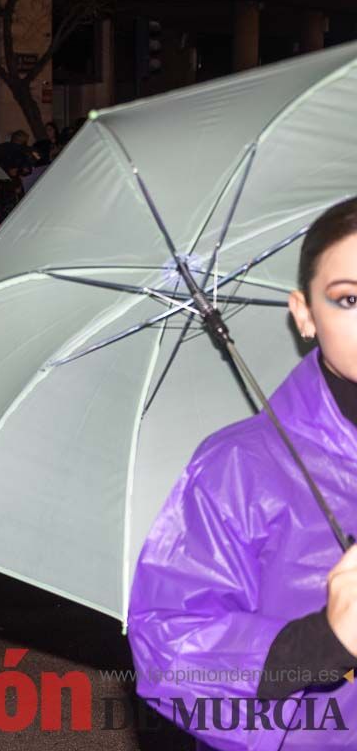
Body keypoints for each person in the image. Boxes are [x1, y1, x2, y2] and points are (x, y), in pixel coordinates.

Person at [128, 197, 357, 749]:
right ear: (303, 314)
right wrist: (321, 643)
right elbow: (168, 649)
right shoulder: (239, 468)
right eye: (350, 298)